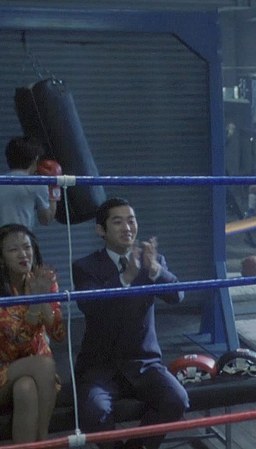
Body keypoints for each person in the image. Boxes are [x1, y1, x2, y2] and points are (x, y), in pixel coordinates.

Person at [72, 197, 188, 449]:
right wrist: (125, 277)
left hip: (144, 363)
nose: (127, 228)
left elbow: (177, 296)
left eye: (131, 221)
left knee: (177, 399)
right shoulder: (85, 266)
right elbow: (89, 305)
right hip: (100, 367)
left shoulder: (152, 261)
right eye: (117, 222)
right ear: (101, 230)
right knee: (94, 412)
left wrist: (155, 270)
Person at [0, 224, 65, 443]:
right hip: (4, 368)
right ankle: (44, 441)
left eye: (27, 247)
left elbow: (58, 334)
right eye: (13, 249)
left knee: (25, 387)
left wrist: (43, 297)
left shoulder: (43, 280)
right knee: (44, 364)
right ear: (1, 258)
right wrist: (36, 303)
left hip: (37, 377)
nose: (23, 254)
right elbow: (15, 343)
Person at [0, 136, 59, 228]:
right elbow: (46, 219)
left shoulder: (2, 180)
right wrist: (54, 187)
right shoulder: (37, 183)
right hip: (21, 236)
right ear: (35, 159)